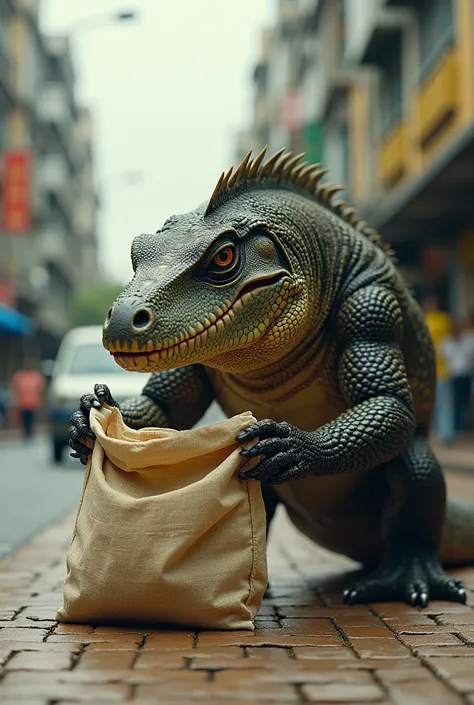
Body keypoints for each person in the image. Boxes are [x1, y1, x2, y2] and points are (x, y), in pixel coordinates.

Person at [422, 297, 454, 444]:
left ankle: (445, 434)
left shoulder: (441, 319)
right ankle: (440, 432)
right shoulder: (425, 319)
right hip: (430, 371)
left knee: (443, 403)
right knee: (435, 404)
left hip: (442, 370)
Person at [439, 318, 474, 434]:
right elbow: (443, 355)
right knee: (455, 402)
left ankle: (464, 426)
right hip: (453, 375)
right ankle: (458, 427)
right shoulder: (447, 341)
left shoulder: (466, 340)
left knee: (465, 400)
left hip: (465, 373)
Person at [10, 359, 46, 440]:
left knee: (31, 418)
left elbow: (40, 390)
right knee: (24, 418)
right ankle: (25, 432)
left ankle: (30, 432)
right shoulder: (19, 376)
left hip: (33, 402)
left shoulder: (36, 376)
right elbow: (15, 389)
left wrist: (40, 401)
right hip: (22, 403)